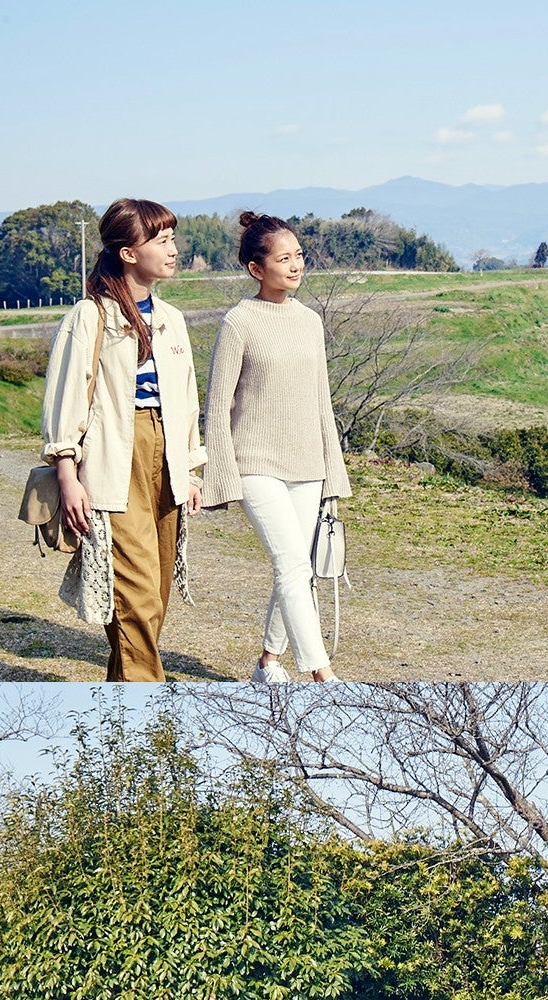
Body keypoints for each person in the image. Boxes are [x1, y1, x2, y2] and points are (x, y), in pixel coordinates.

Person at [40, 198, 205, 680]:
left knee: (156, 592)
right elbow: (65, 402)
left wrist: (191, 468)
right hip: (115, 456)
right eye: (162, 240)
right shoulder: (90, 316)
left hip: (168, 453)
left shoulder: (171, 318)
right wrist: (68, 477)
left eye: (173, 237)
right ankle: (147, 703)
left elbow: (188, 398)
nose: (174, 249)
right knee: (137, 596)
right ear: (129, 252)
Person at [199, 211, 351, 683]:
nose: (296, 265)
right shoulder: (239, 322)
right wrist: (220, 476)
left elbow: (321, 401)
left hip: (307, 464)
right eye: (284, 258)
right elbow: (217, 406)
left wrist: (333, 471)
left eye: (299, 255)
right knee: (289, 562)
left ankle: (269, 661)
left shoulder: (309, 321)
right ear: (256, 269)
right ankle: (322, 673)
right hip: (255, 464)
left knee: (298, 567)